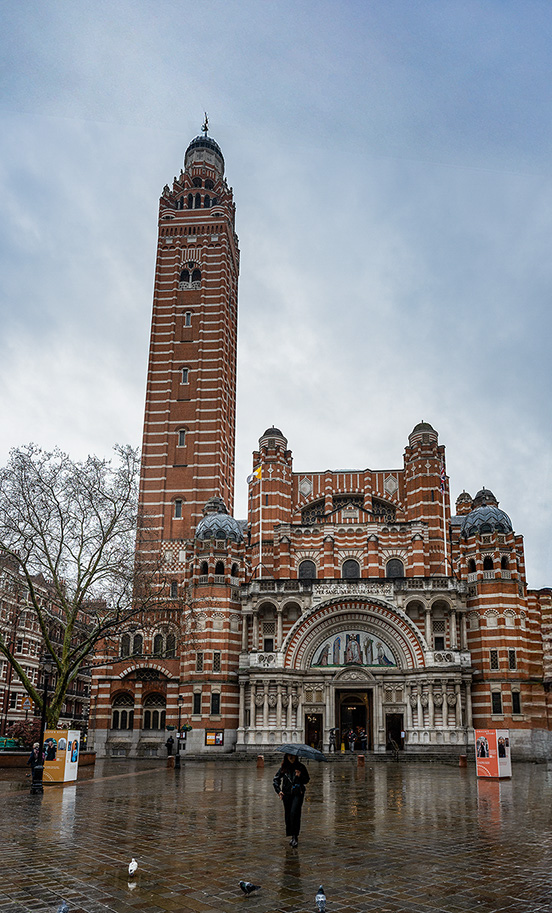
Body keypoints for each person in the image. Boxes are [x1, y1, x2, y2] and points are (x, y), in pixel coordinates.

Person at [273, 753, 310, 847]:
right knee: (289, 814)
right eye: (289, 756)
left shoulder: (301, 767)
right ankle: (292, 835)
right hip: (287, 793)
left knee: (295, 813)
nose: (291, 758)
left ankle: (295, 836)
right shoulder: (283, 768)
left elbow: (306, 780)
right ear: (286, 757)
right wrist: (279, 791)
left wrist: (300, 775)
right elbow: (276, 780)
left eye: (293, 756)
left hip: (298, 793)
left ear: (296, 757)